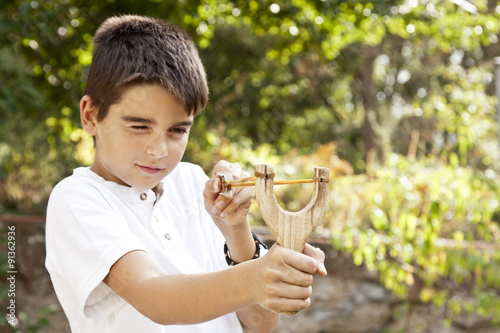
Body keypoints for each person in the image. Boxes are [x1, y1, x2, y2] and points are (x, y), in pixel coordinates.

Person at [45, 14, 327, 333]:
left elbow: (260, 323)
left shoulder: (195, 182)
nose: (159, 150)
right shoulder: (77, 199)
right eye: (139, 126)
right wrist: (258, 275)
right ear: (90, 116)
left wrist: (236, 231)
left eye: (178, 130)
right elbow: (153, 296)